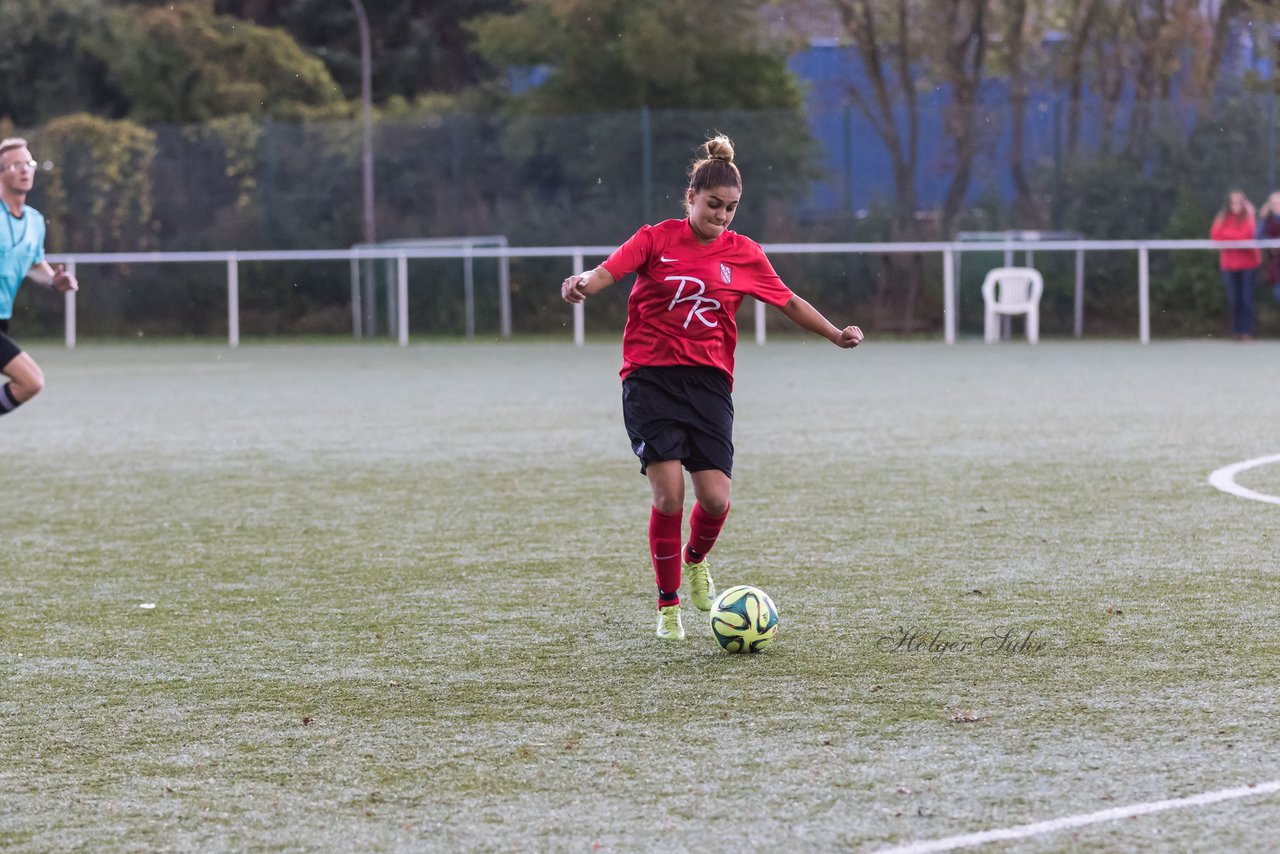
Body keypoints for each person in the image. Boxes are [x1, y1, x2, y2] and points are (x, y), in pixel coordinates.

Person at [560, 135, 863, 641]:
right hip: (650, 379)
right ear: (691, 199)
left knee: (717, 500)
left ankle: (696, 561)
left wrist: (834, 333)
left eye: (730, 209)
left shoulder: (744, 253)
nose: (721, 216)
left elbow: (787, 301)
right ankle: (668, 605)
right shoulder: (656, 238)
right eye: (713, 205)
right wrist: (582, 284)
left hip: (708, 385)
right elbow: (608, 270)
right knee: (669, 497)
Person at [0, 138, 78, 419]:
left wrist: (53, 281)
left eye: (29, 163)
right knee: (30, 381)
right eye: (16, 165)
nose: (25, 170)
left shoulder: (34, 221)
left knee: (29, 383)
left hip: (2, 319)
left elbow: (34, 263)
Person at [1209, 189, 1260, 341]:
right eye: (1233, 202)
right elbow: (1215, 236)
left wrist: (1229, 238)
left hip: (1248, 264)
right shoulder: (1222, 217)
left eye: (1239, 201)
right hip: (1229, 265)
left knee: (1246, 298)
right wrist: (1233, 240)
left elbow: (1249, 234)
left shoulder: (1249, 217)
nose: (1236, 205)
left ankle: (1247, 331)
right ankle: (1236, 331)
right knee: (1234, 299)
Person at [1256, 190, 1280, 306]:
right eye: (1274, 203)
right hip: (1275, 266)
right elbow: (1257, 236)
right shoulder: (1267, 219)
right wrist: (1262, 218)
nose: (1277, 205)